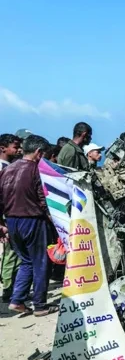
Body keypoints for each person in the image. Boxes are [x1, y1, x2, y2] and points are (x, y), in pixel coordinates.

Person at [0, 135, 56, 316]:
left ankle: (17, 300)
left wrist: (1, 224)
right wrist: (56, 221)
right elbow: (43, 199)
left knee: (27, 261)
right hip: (32, 220)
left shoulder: (7, 169)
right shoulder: (36, 170)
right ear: (39, 152)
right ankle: (40, 305)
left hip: (12, 221)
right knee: (41, 262)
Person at [0, 134, 22, 303]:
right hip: (6, 217)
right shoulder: (2, 168)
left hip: (11, 215)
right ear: (3, 148)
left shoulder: (10, 166)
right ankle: (8, 289)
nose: (18, 150)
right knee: (10, 254)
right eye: (15, 147)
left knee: (16, 253)